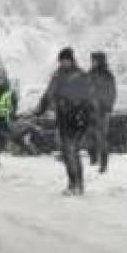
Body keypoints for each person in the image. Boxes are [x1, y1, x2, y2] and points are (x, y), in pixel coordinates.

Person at [36, 47, 94, 196]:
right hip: (62, 119)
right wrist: (39, 110)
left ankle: (77, 184)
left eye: (66, 60)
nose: (63, 63)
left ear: (71, 60)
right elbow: (48, 95)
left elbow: (89, 99)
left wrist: (85, 115)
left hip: (76, 119)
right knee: (67, 154)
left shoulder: (81, 76)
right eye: (61, 60)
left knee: (71, 152)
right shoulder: (57, 76)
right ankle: (73, 183)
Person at [87, 51, 117, 173]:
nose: (92, 62)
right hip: (90, 110)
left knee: (101, 137)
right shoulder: (90, 73)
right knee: (89, 135)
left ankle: (103, 164)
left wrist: (106, 107)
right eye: (92, 60)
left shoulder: (107, 75)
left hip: (102, 111)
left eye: (94, 60)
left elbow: (112, 93)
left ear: (100, 61)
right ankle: (93, 158)